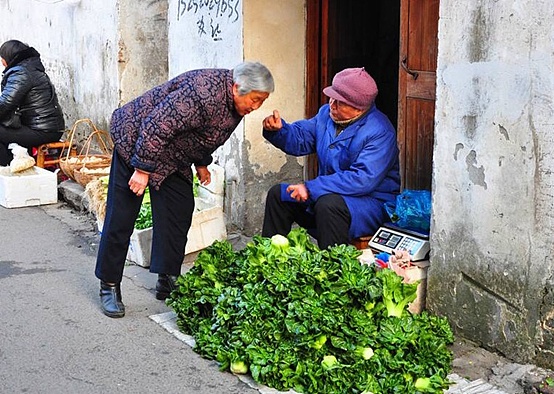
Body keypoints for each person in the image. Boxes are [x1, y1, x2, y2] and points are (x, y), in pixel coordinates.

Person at [95, 61, 274, 318]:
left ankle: (167, 278)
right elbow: (156, 126)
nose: (256, 107)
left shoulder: (236, 106)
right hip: (136, 140)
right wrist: (142, 170)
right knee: (121, 215)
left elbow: (205, 135)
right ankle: (109, 285)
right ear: (237, 88)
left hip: (172, 155)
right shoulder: (201, 92)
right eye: (255, 100)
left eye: (262, 102)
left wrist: (202, 164)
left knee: (178, 210)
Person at [261, 67, 400, 249]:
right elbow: (301, 138)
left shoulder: (380, 131)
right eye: (332, 97)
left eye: (340, 102)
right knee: (279, 195)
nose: (332, 105)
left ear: (359, 108)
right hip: (328, 193)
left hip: (369, 204)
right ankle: (267, 260)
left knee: (328, 205)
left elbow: (362, 180)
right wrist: (280, 131)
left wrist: (311, 188)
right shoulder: (326, 115)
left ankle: (331, 269)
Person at [0, 40, 65, 165]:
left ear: (8, 57)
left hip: (43, 131)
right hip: (47, 127)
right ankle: (9, 167)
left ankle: (5, 171)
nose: (2, 62)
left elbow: (5, 104)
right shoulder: (30, 68)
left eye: (2, 58)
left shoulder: (21, 73)